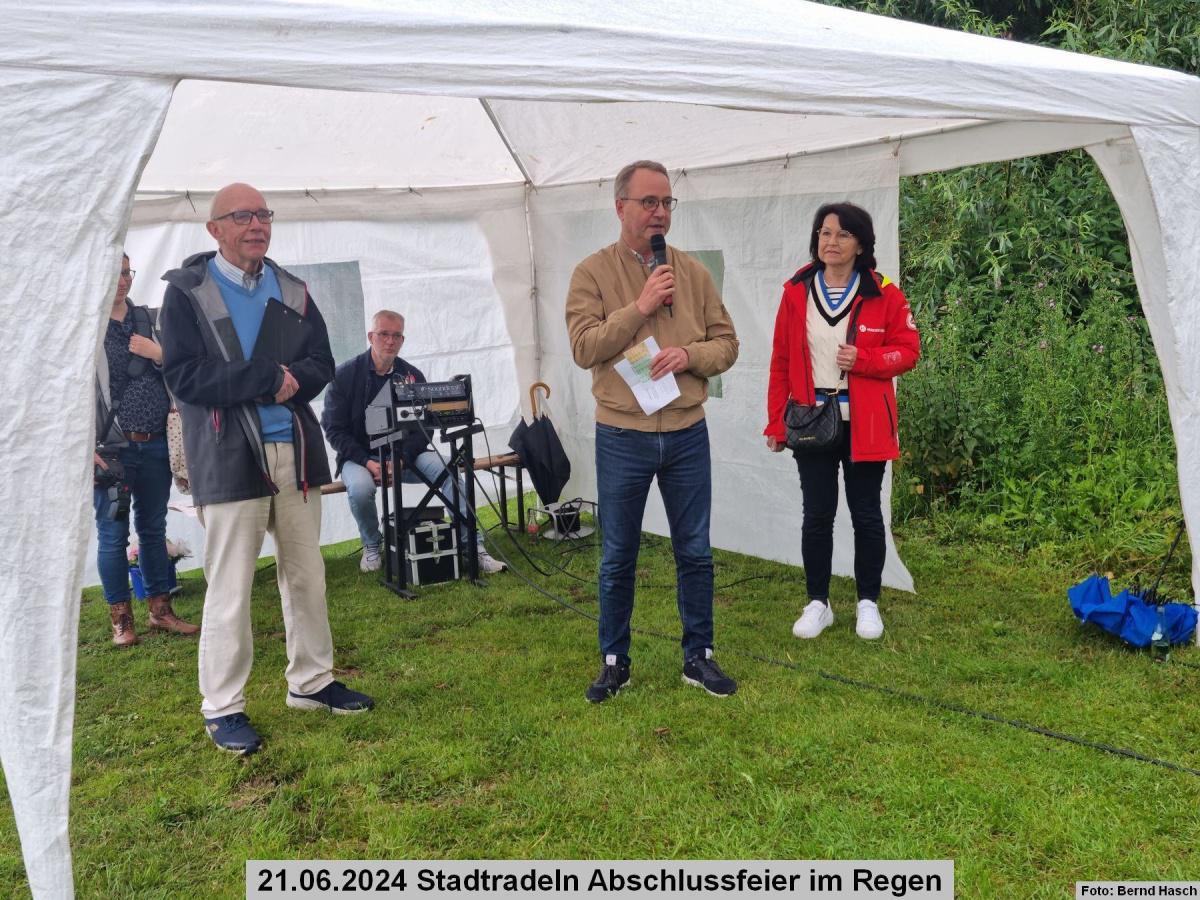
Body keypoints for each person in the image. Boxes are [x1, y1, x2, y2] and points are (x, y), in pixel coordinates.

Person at [160, 183, 374, 756]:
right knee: (229, 586)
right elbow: (183, 376)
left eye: (263, 215)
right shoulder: (187, 293)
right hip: (229, 457)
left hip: (297, 454)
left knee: (306, 575)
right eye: (242, 216)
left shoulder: (293, 289)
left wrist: (291, 381)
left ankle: (312, 682)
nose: (257, 224)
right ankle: (223, 707)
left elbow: (321, 362)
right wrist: (266, 380)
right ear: (215, 229)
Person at [565, 160, 740, 703]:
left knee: (695, 550)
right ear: (620, 208)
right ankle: (615, 660)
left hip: (687, 431)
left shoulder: (692, 272)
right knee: (619, 553)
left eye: (667, 203)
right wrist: (638, 307)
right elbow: (584, 348)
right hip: (623, 435)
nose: (660, 212)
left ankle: (699, 656)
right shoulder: (591, 273)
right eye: (649, 202)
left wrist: (690, 354)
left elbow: (728, 344)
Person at [764, 202, 920, 641]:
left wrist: (865, 360)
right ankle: (818, 602)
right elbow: (780, 362)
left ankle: (867, 602)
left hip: (866, 422)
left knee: (867, 515)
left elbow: (909, 351)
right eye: (824, 233)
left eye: (842, 234)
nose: (831, 242)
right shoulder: (796, 290)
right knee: (817, 515)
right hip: (811, 420)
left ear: (861, 244)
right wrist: (777, 424)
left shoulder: (883, 292)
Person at [321, 309, 505, 574]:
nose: (390, 341)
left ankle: (473, 548)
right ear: (371, 336)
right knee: (361, 490)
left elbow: (424, 430)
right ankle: (372, 546)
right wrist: (366, 462)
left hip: (406, 456)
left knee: (450, 472)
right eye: (384, 334)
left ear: (402, 340)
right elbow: (334, 429)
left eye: (396, 335)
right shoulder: (345, 375)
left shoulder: (412, 376)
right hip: (360, 458)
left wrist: (401, 458)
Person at [93, 253, 199, 647]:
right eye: (113, 274)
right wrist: (86, 446)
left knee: (153, 529)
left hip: (155, 443)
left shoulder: (150, 320)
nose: (121, 281)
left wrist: (158, 354)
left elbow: (185, 366)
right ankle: (121, 620)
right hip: (112, 449)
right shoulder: (88, 327)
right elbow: (73, 391)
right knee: (112, 533)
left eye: (125, 273)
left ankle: (160, 611)